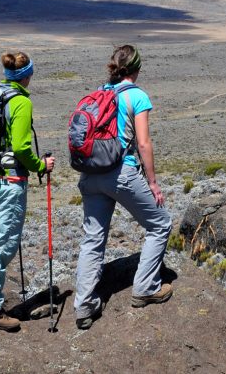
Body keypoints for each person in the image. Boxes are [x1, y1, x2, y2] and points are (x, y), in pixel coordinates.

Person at [74, 45, 172, 329]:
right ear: (137, 69)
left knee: (93, 239)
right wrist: (152, 183)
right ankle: (145, 287)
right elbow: (143, 143)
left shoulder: (101, 92)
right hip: (121, 173)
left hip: (90, 175)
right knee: (161, 224)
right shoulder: (136, 95)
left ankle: (83, 306)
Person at [0, 51, 56, 331]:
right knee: (2, 244)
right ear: (27, 75)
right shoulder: (20, 102)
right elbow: (21, 147)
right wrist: (40, 165)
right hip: (8, 181)